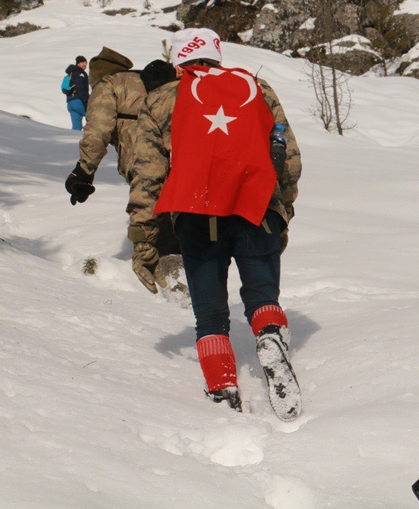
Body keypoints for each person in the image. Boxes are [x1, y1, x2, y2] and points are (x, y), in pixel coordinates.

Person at [126, 28, 302, 420]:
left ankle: (222, 386)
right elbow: (289, 157)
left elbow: (147, 177)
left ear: (179, 58)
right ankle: (271, 333)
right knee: (262, 295)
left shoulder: (160, 100)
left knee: (209, 314)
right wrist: (281, 210)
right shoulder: (255, 87)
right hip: (256, 208)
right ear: (217, 55)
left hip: (196, 214)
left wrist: (144, 238)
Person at [64, 46, 179, 294]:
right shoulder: (154, 82)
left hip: (147, 167)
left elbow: (97, 131)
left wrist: (83, 171)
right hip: (185, 163)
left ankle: (173, 293)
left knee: (159, 229)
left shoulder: (109, 85)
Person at [64, 55, 90, 130]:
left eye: (86, 63)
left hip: (70, 103)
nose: (85, 65)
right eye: (83, 62)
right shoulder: (80, 73)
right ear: (78, 63)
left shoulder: (70, 73)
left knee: (76, 127)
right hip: (79, 102)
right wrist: (86, 102)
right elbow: (80, 88)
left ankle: (73, 140)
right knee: (93, 117)